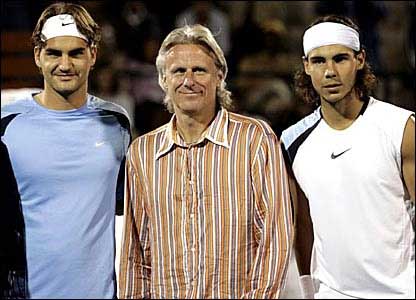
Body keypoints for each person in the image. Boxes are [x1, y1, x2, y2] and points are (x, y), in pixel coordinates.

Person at [118, 24, 293, 299]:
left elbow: (275, 238)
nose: (189, 80)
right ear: (163, 79)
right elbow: (136, 251)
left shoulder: (254, 139)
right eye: (178, 71)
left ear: (219, 76)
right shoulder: (142, 152)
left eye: (199, 70)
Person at [1, 2, 131, 298]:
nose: (65, 64)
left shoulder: (117, 124)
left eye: (76, 53)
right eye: (53, 53)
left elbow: (125, 211)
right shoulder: (6, 127)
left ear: (93, 55)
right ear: (37, 55)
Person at [281, 15, 415, 299]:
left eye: (340, 59)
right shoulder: (292, 141)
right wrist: (308, 289)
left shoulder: (400, 127)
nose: (330, 71)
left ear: (360, 59)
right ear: (306, 66)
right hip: (331, 293)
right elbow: (303, 224)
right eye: (319, 61)